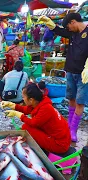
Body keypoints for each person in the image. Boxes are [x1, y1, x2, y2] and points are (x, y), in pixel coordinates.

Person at [39, 13, 88, 142]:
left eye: (69, 26)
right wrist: (49, 23)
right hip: (70, 71)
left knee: (80, 101)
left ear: (73, 22)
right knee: (71, 98)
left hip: (84, 74)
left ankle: (73, 130)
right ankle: (68, 126)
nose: (68, 29)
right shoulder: (72, 33)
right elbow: (60, 31)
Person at [2, 82, 71, 154]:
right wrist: (12, 105)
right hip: (61, 138)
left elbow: (33, 123)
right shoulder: (39, 102)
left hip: (60, 144)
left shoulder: (46, 108)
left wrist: (18, 115)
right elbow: (26, 110)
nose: (23, 99)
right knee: (27, 126)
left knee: (26, 128)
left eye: (23, 97)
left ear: (31, 100)